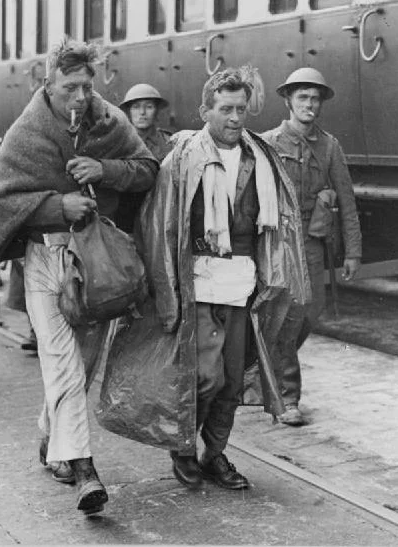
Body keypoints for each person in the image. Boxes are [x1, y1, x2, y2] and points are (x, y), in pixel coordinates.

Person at [0, 38, 158, 515]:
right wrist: (55, 205)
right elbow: (2, 200)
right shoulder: (27, 130)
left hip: (98, 264)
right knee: (62, 364)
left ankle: (51, 435)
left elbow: (148, 168)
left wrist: (104, 169)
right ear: (48, 83)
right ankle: (84, 468)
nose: (81, 96)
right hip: (45, 262)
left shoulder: (110, 120)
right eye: (70, 87)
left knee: (83, 365)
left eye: (88, 86)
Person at [118, 67, 309, 490]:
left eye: (241, 109)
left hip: (243, 282)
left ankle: (214, 454)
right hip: (197, 282)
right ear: (206, 110)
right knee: (206, 376)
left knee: (233, 379)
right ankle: (183, 447)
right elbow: (160, 224)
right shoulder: (183, 158)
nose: (235, 118)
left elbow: (277, 227)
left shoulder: (261, 156)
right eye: (225, 109)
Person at [261, 67, 362, 426]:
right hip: (279, 241)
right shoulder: (269, 143)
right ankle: (287, 398)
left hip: (313, 242)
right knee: (287, 317)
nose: (310, 105)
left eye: (315, 98)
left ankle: (267, 370)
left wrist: (353, 252)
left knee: (309, 313)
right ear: (288, 100)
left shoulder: (329, 146)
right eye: (302, 97)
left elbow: (347, 202)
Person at [116, 83, 173, 232]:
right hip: (127, 218)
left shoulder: (169, 142)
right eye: (136, 107)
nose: (142, 112)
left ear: (156, 111)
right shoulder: (118, 142)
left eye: (149, 107)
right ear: (128, 112)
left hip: (161, 215)